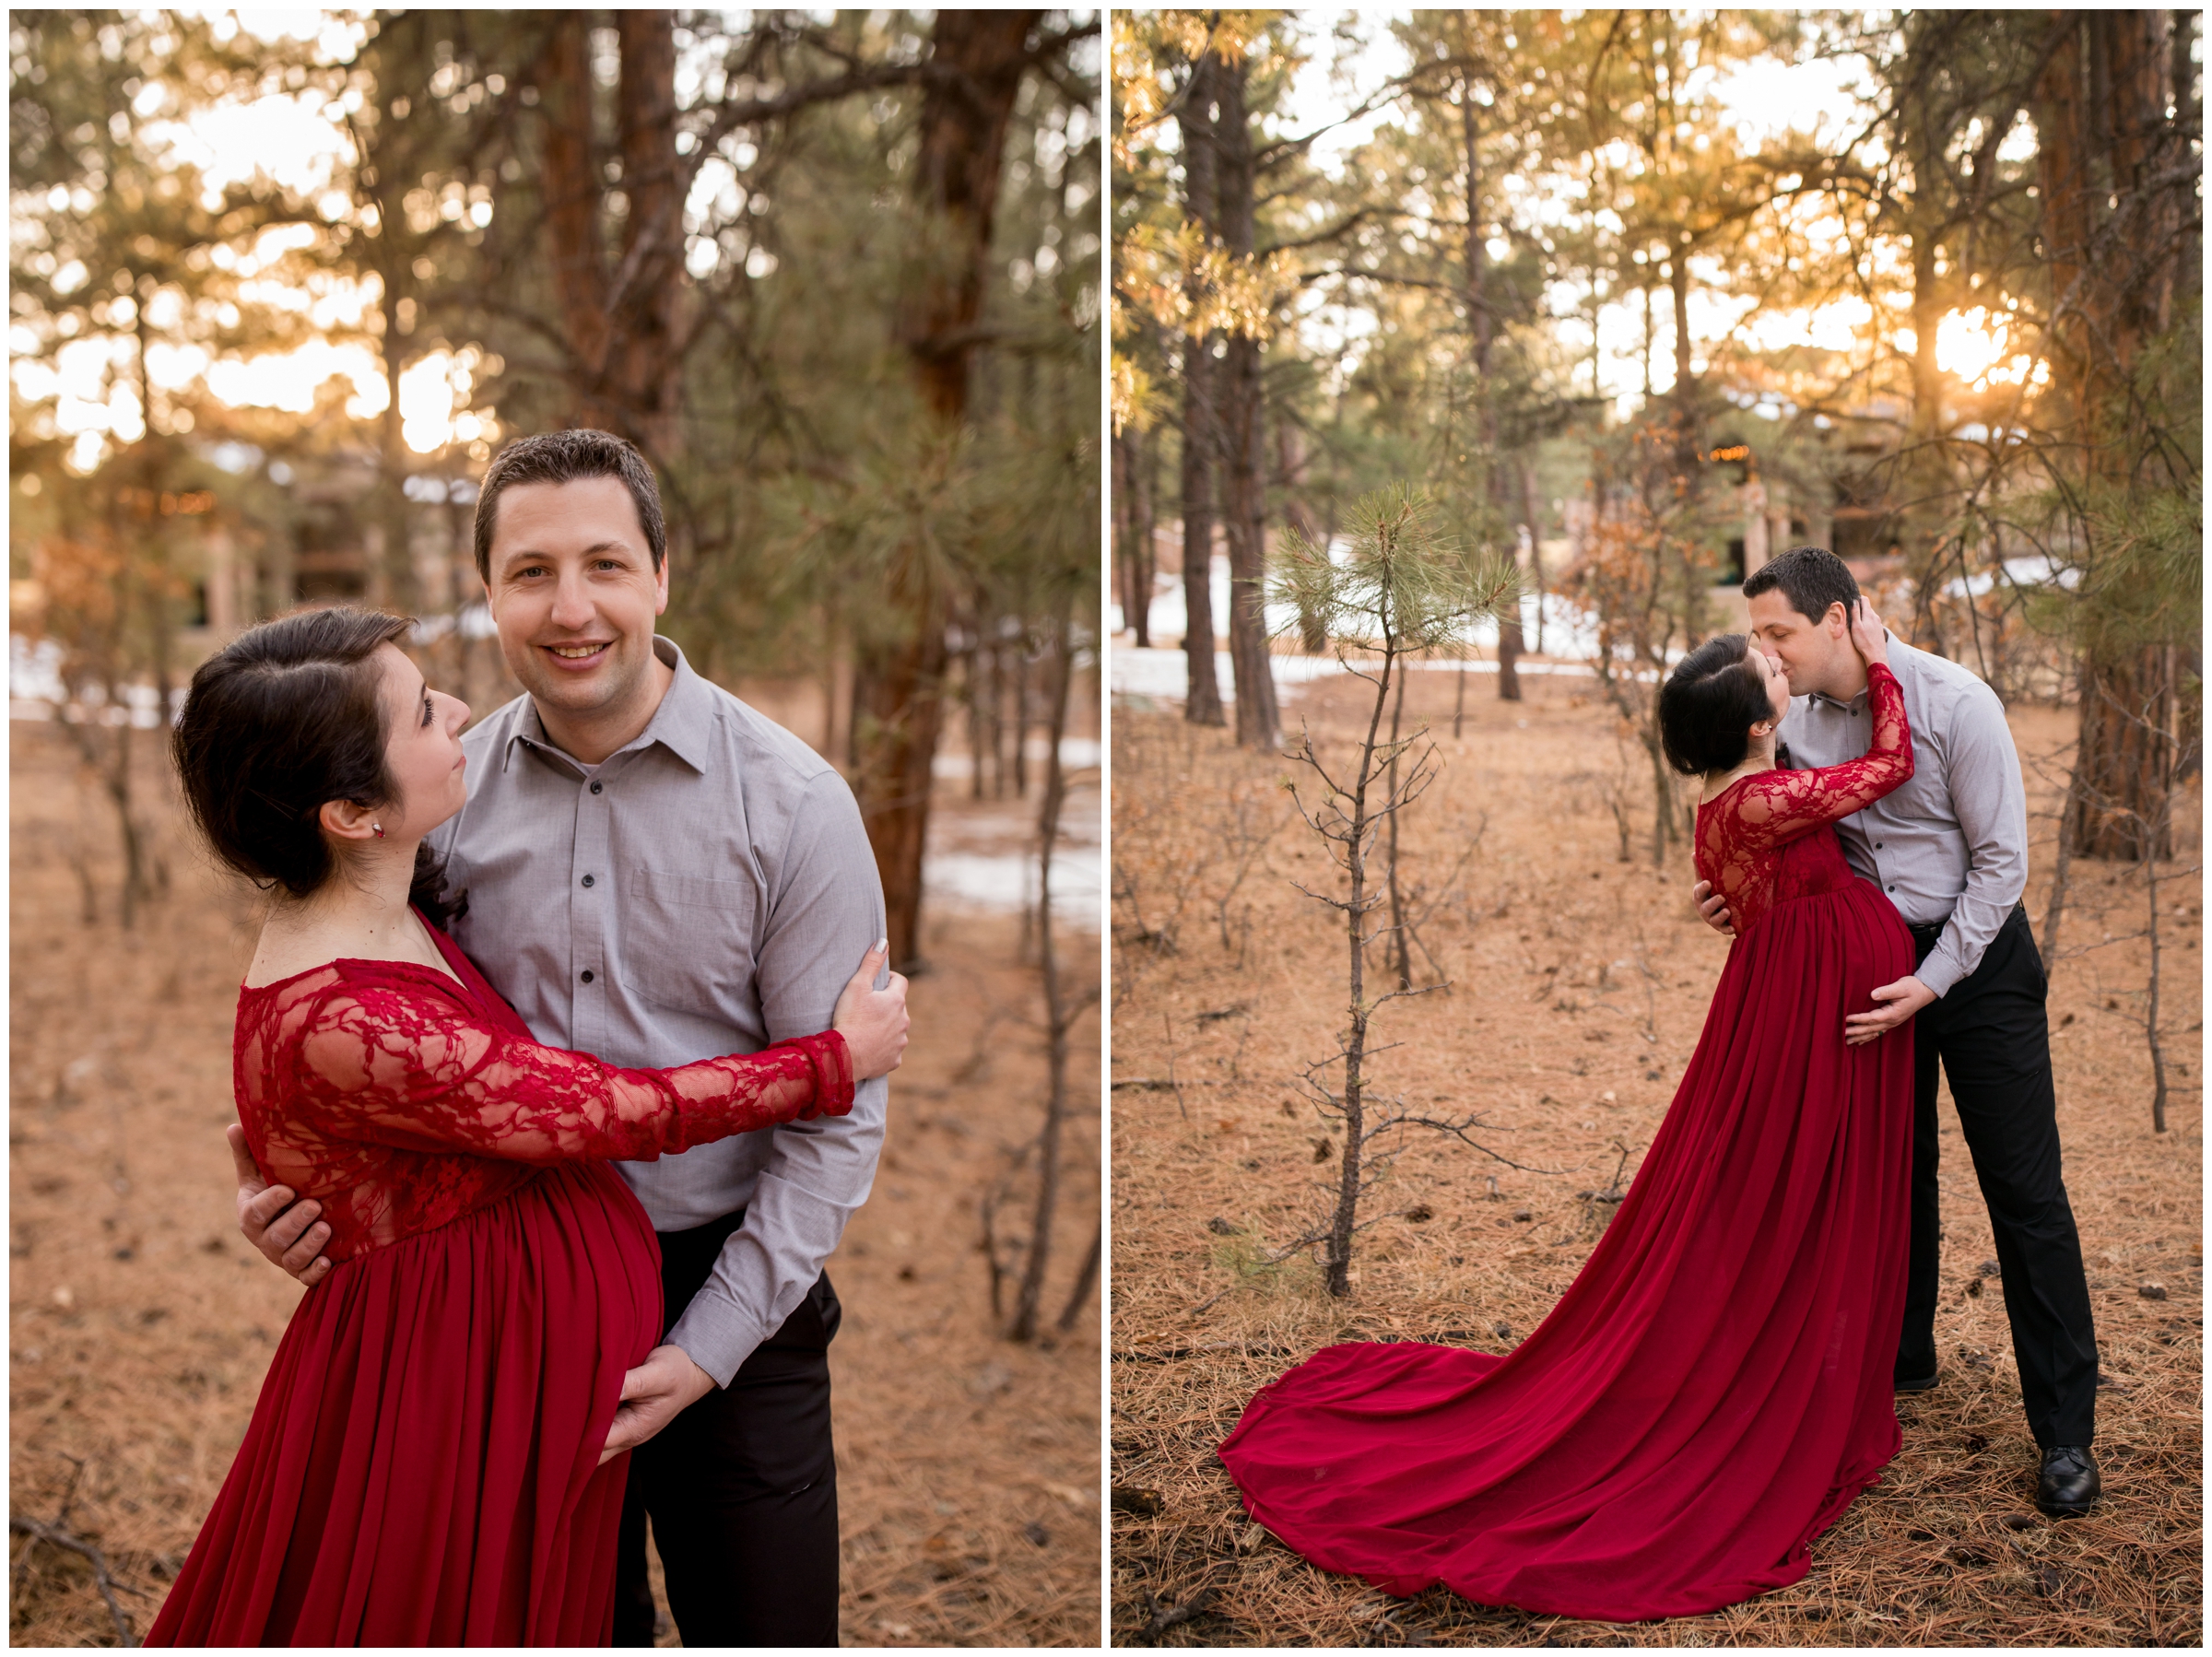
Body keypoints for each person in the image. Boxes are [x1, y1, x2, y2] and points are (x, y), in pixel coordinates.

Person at [233, 429, 894, 1643]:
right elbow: (361, 1020)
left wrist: (710, 1346)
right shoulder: (430, 792)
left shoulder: (794, 804)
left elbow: (836, 1120)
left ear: (661, 574)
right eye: (531, 571)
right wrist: (319, 1199)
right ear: (488, 590)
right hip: (507, 1318)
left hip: (731, 1288)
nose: (571, 607)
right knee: (563, 1628)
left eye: (604, 563)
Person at [1218, 600, 1920, 1621]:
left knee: (1799, 1186)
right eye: (1767, 674)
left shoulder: (1727, 810)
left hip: (1802, 1007)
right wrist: (1880, 661)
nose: (1778, 668)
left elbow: (1751, 909)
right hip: (1809, 1019)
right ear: (1763, 726)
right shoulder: (1764, 802)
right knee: (1791, 1186)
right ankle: (1784, 1375)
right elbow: (1888, 767)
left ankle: (1820, 1358)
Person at [1695, 545, 2100, 1518]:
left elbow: (2002, 866)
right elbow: (1807, 838)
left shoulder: (1957, 702)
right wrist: (1743, 897)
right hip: (1868, 965)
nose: (1768, 653)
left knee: (2023, 1186)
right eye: (1757, 636)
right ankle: (1901, 1358)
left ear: (1839, 619)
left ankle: (2066, 1432)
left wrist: (1934, 979)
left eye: (1780, 632)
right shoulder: (1794, 725)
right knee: (1890, 1163)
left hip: (1979, 962)